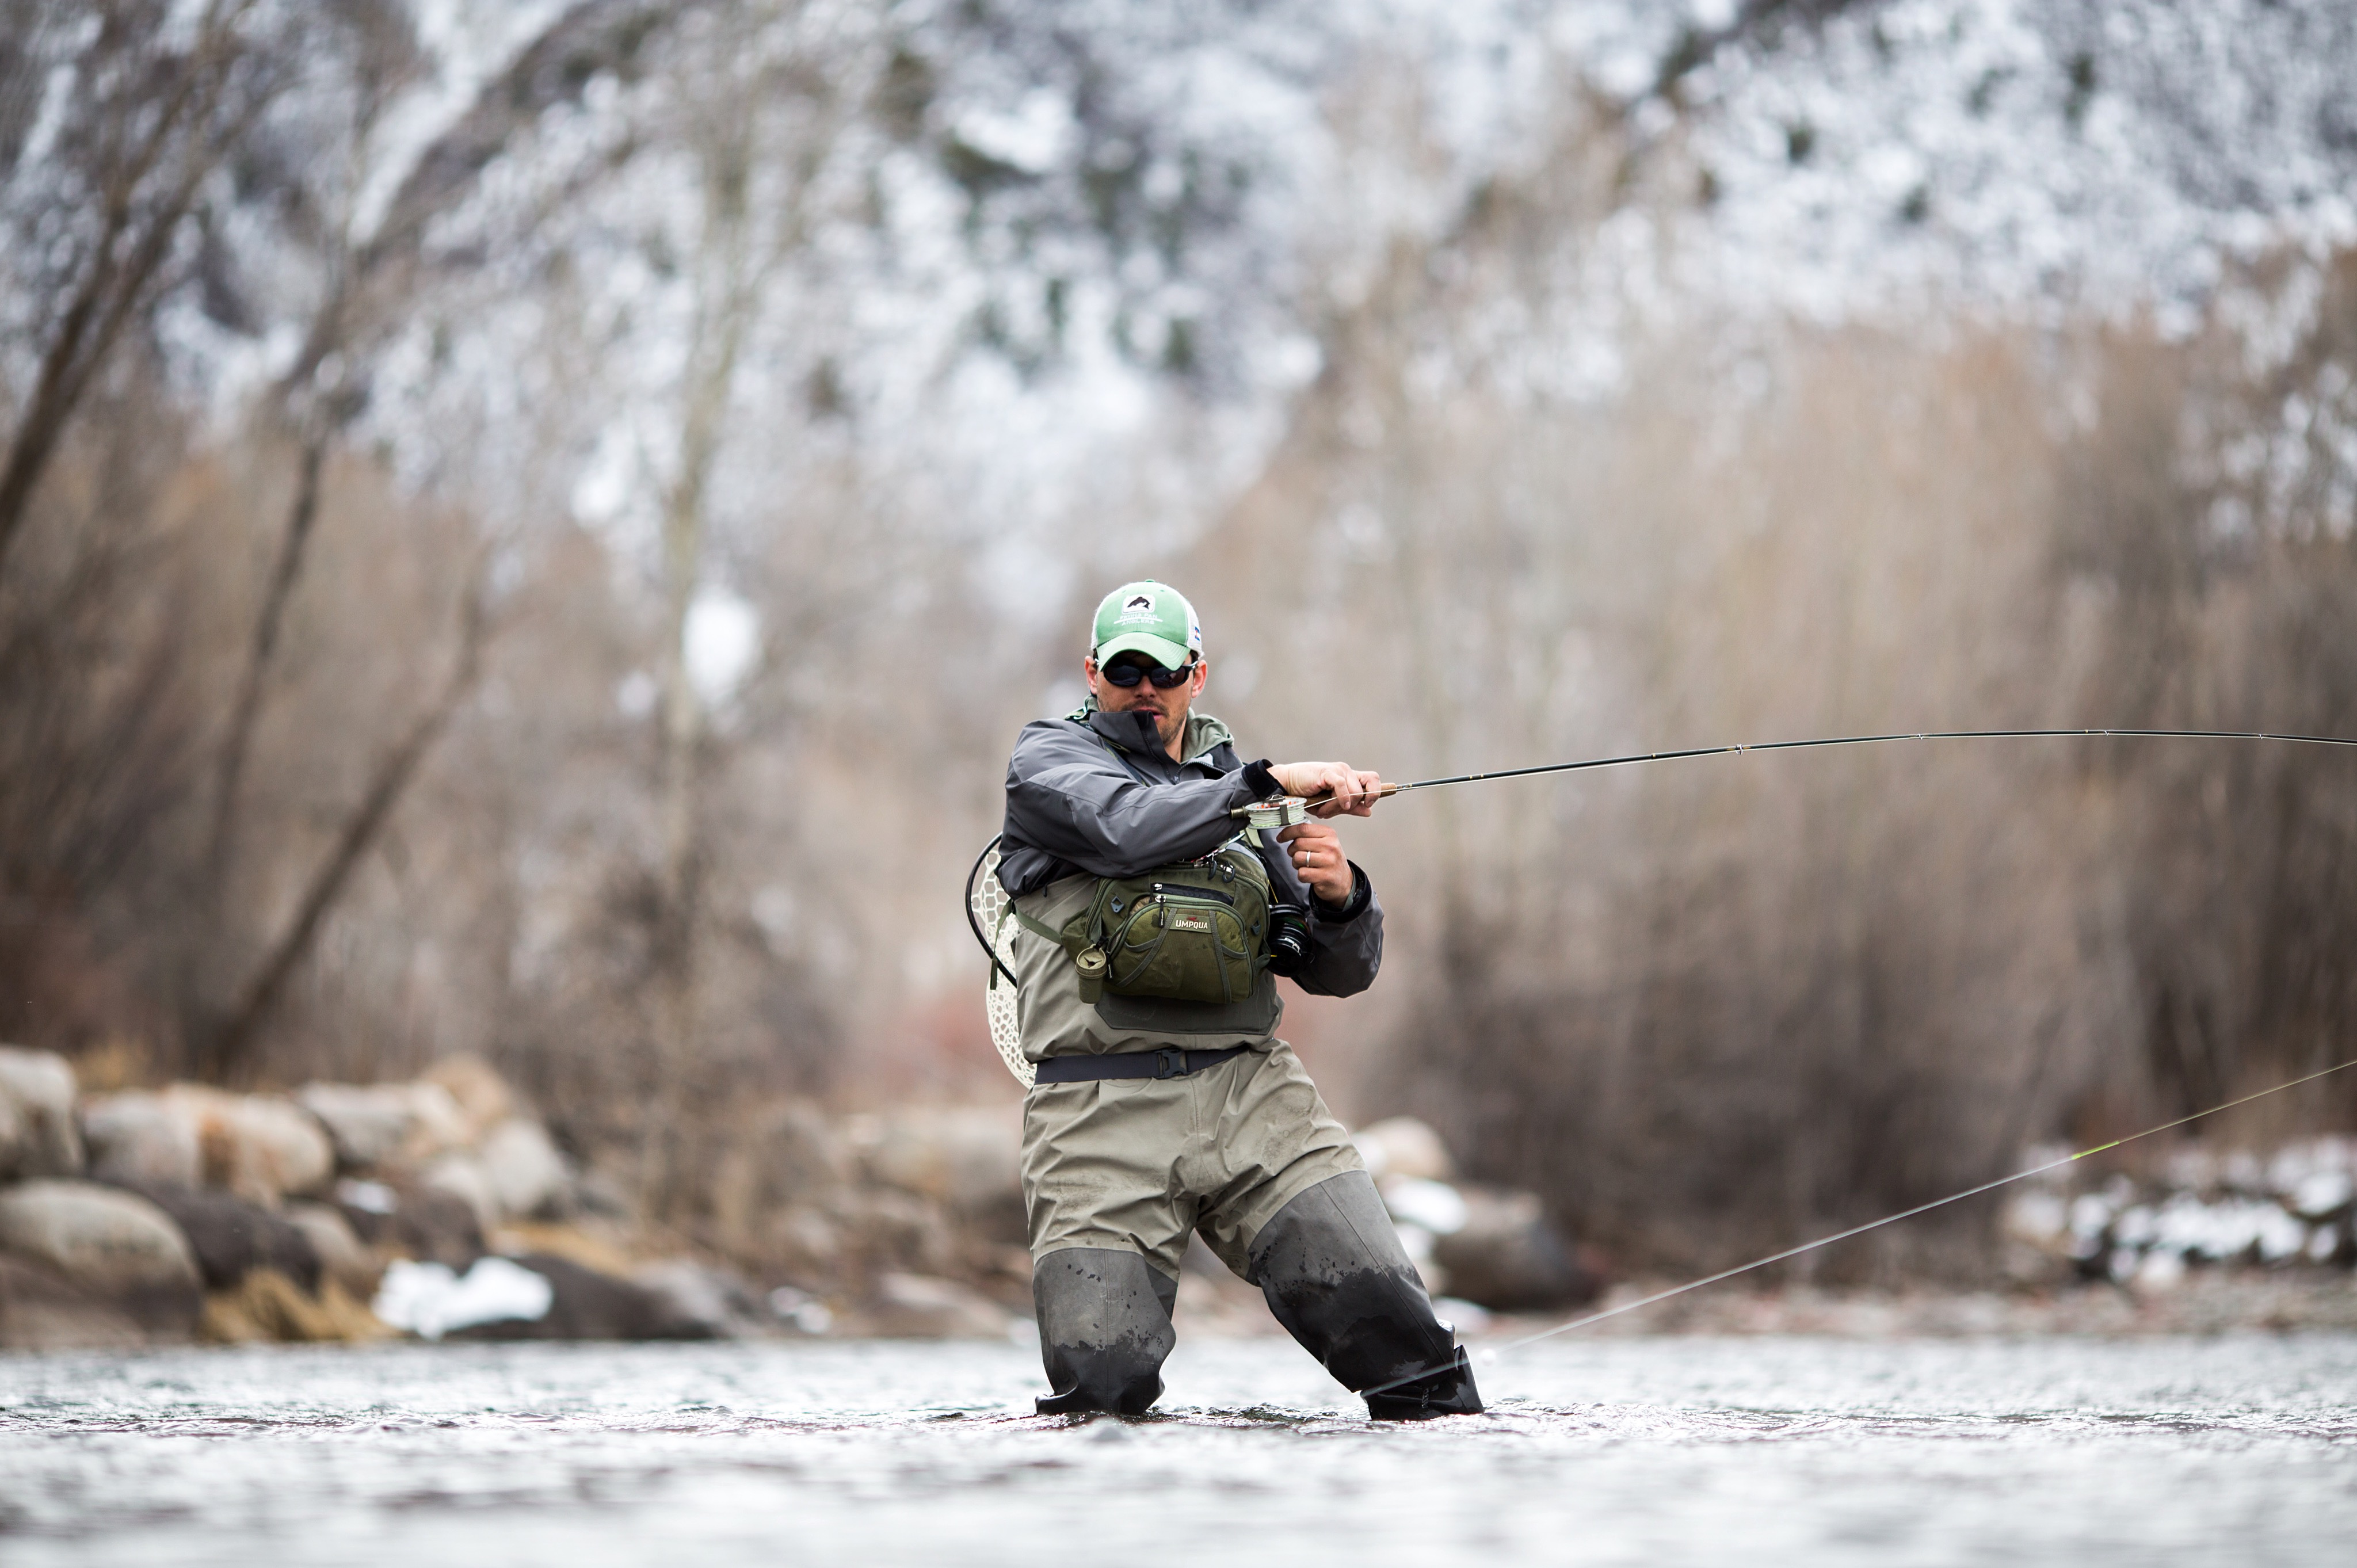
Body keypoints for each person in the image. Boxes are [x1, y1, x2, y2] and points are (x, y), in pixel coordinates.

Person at [994, 578, 1481, 1419]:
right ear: (1091, 674)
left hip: (1251, 1094)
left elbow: (1336, 972)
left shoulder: (1247, 802)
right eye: (1126, 669)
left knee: (1408, 1354)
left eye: (1165, 671)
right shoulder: (1050, 764)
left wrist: (1341, 898)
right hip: (1095, 1108)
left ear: (1198, 675)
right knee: (1098, 1395)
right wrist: (1260, 783)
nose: (1146, 687)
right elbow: (1128, 826)